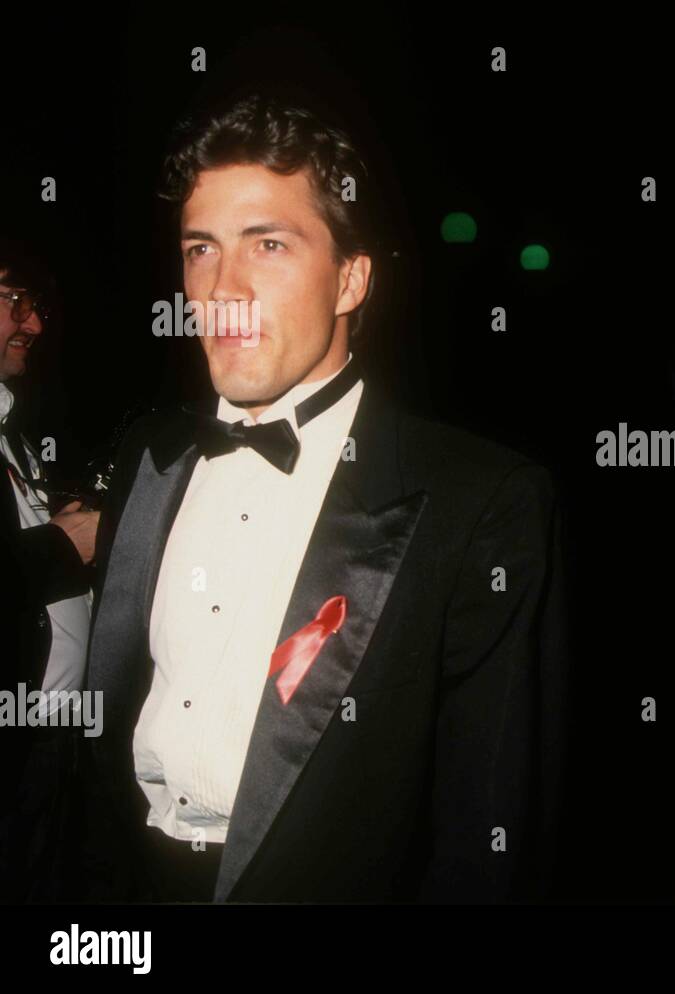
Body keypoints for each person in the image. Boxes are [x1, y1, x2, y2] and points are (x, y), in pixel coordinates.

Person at [80, 93, 570, 903]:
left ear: (350, 279)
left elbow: (489, 831)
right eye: (201, 249)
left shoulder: (482, 501)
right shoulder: (151, 455)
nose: (223, 289)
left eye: (267, 245)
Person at [0, 243, 99, 902]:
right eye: (14, 299)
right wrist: (62, 545)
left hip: (52, 744)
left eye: (36, 306)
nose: (33, 324)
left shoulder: (17, 433)